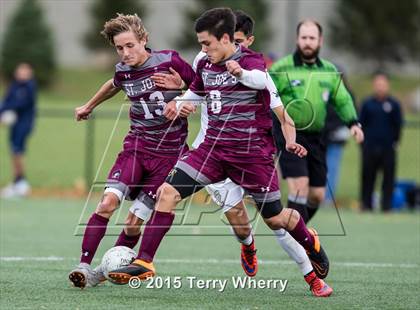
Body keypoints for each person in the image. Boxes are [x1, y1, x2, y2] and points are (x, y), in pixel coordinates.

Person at [110, 8, 333, 297]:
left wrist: (242, 74)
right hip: (212, 152)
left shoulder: (252, 62)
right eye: (200, 44)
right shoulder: (206, 64)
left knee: (276, 219)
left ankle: (309, 241)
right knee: (167, 192)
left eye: (206, 43)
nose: (202, 50)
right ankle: (145, 261)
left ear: (226, 38)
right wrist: (179, 102)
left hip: (251, 157)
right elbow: (195, 93)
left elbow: (260, 83)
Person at [68, 13, 196, 289]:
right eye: (119, 48)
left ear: (144, 40)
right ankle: (83, 265)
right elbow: (113, 85)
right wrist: (89, 106)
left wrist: (182, 90)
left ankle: (101, 273)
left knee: (133, 221)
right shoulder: (123, 70)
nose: (125, 53)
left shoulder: (170, 60)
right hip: (136, 148)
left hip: (169, 156)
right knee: (106, 203)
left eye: (130, 46)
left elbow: (204, 87)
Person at [269, 20, 364, 223]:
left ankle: (295, 231)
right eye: (304, 38)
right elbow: (264, 98)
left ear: (320, 41)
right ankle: (300, 242)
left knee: (317, 195)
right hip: (290, 134)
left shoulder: (329, 71)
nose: (307, 42)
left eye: (312, 38)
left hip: (317, 138)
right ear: (297, 40)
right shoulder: (281, 68)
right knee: (299, 186)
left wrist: (353, 123)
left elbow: (343, 99)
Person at [359, 72, 403, 212]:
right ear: (374, 85)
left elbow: (397, 125)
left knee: (388, 178)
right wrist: (362, 144)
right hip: (369, 147)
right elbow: (361, 124)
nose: (380, 87)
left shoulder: (394, 104)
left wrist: (395, 141)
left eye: (383, 84)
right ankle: (366, 204)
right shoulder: (367, 104)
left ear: (387, 85)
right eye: (378, 84)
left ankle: (386, 206)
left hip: (388, 148)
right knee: (367, 177)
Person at [0, 63, 37, 198]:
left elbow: (20, 104)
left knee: (18, 151)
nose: (22, 73)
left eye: (25, 71)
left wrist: (8, 110)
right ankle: (17, 182)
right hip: (14, 125)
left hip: (24, 124)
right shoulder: (14, 86)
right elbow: (6, 101)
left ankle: (21, 183)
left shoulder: (29, 87)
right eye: (20, 71)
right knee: (14, 151)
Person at [323, 69, 355, 204]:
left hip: (337, 138)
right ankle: (315, 197)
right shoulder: (323, 94)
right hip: (322, 137)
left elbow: (350, 115)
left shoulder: (348, 95)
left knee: (332, 167)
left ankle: (327, 198)